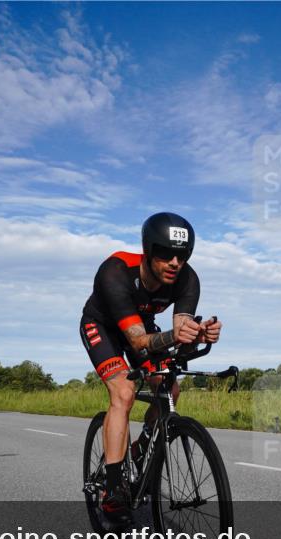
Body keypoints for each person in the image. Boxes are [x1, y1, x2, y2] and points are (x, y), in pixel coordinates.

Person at [80, 212, 222, 523]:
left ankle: (142, 446)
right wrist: (174, 335)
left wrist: (198, 335)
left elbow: (180, 341)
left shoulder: (188, 279)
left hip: (142, 328)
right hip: (103, 327)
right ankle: (113, 490)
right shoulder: (115, 271)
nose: (175, 262)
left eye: (182, 255)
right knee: (124, 391)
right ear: (147, 249)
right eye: (165, 253)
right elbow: (138, 340)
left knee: (169, 385)